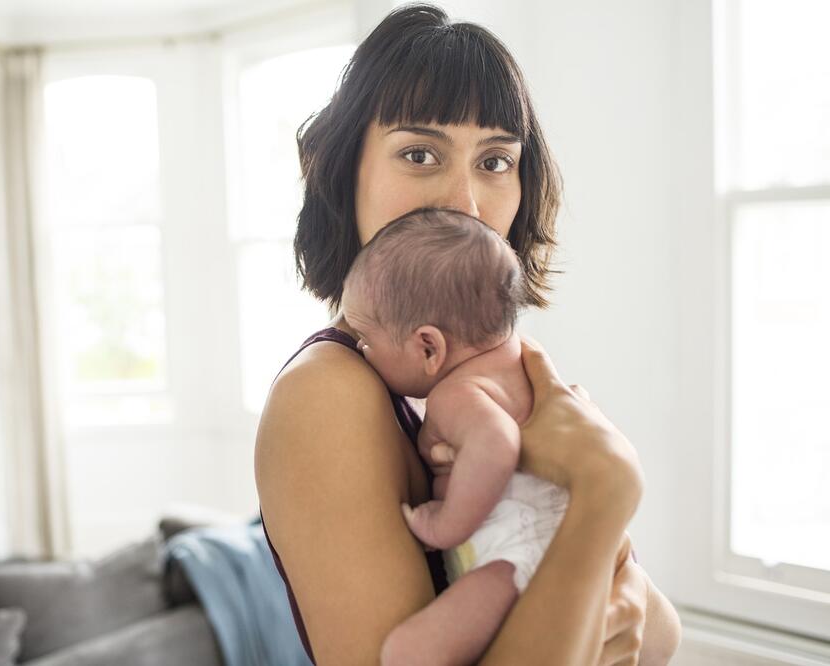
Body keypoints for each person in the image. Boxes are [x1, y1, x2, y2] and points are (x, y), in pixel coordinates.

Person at [254, 4, 682, 665]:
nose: (467, 204)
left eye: (495, 161)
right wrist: (607, 485)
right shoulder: (327, 393)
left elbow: (652, 636)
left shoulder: (476, 372)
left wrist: (595, 590)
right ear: (339, 168)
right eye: (420, 153)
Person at [339, 207, 573, 665]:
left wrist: (446, 523)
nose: (360, 350)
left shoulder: (457, 393)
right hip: (559, 540)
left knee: (409, 653)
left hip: (521, 552)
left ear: (429, 348)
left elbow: (497, 444)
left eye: (366, 339)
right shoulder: (518, 362)